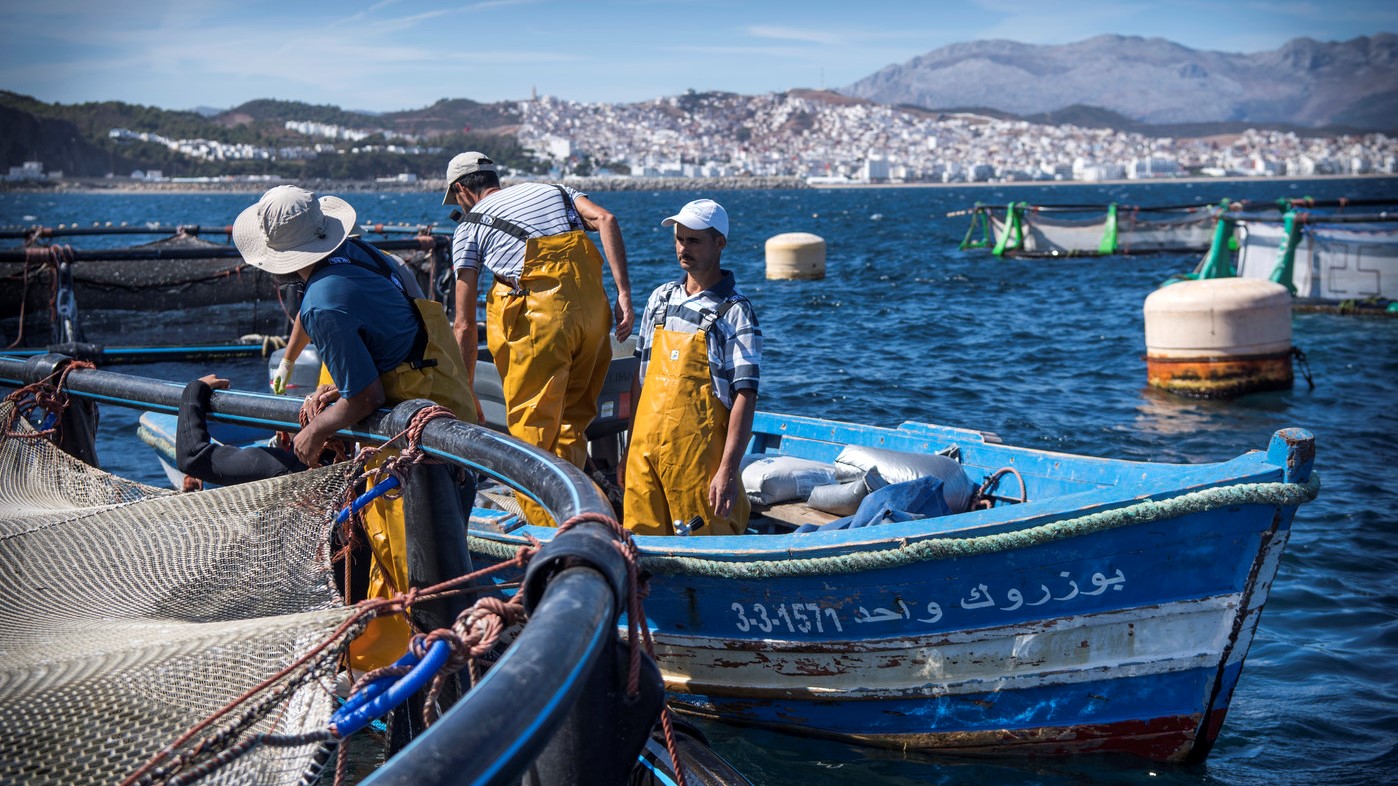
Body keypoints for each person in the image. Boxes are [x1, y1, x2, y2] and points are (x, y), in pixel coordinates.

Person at [232, 184, 477, 672]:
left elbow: (367, 397)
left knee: (410, 565)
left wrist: (315, 431)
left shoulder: (324, 303)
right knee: (443, 547)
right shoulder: (367, 256)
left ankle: (425, 675)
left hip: (411, 438)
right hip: (449, 408)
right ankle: (432, 654)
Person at [443, 151, 633, 526]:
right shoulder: (556, 190)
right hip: (593, 316)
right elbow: (606, 219)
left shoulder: (469, 227)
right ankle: (583, 517)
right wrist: (623, 293)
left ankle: (548, 534)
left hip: (541, 325)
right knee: (572, 425)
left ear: (462, 190)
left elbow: (463, 325)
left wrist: (465, 392)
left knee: (532, 439)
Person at [622, 199, 761, 536]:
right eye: (680, 239)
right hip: (644, 457)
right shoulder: (660, 299)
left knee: (704, 545)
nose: (684, 248)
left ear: (720, 244)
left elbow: (745, 395)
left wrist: (727, 470)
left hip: (697, 464)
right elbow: (639, 379)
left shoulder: (735, 312)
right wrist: (627, 451)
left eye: (694, 240)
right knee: (639, 546)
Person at [176, 373, 308, 484]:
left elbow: (192, 458)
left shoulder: (286, 467)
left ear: (283, 438)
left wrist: (194, 389)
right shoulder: (325, 463)